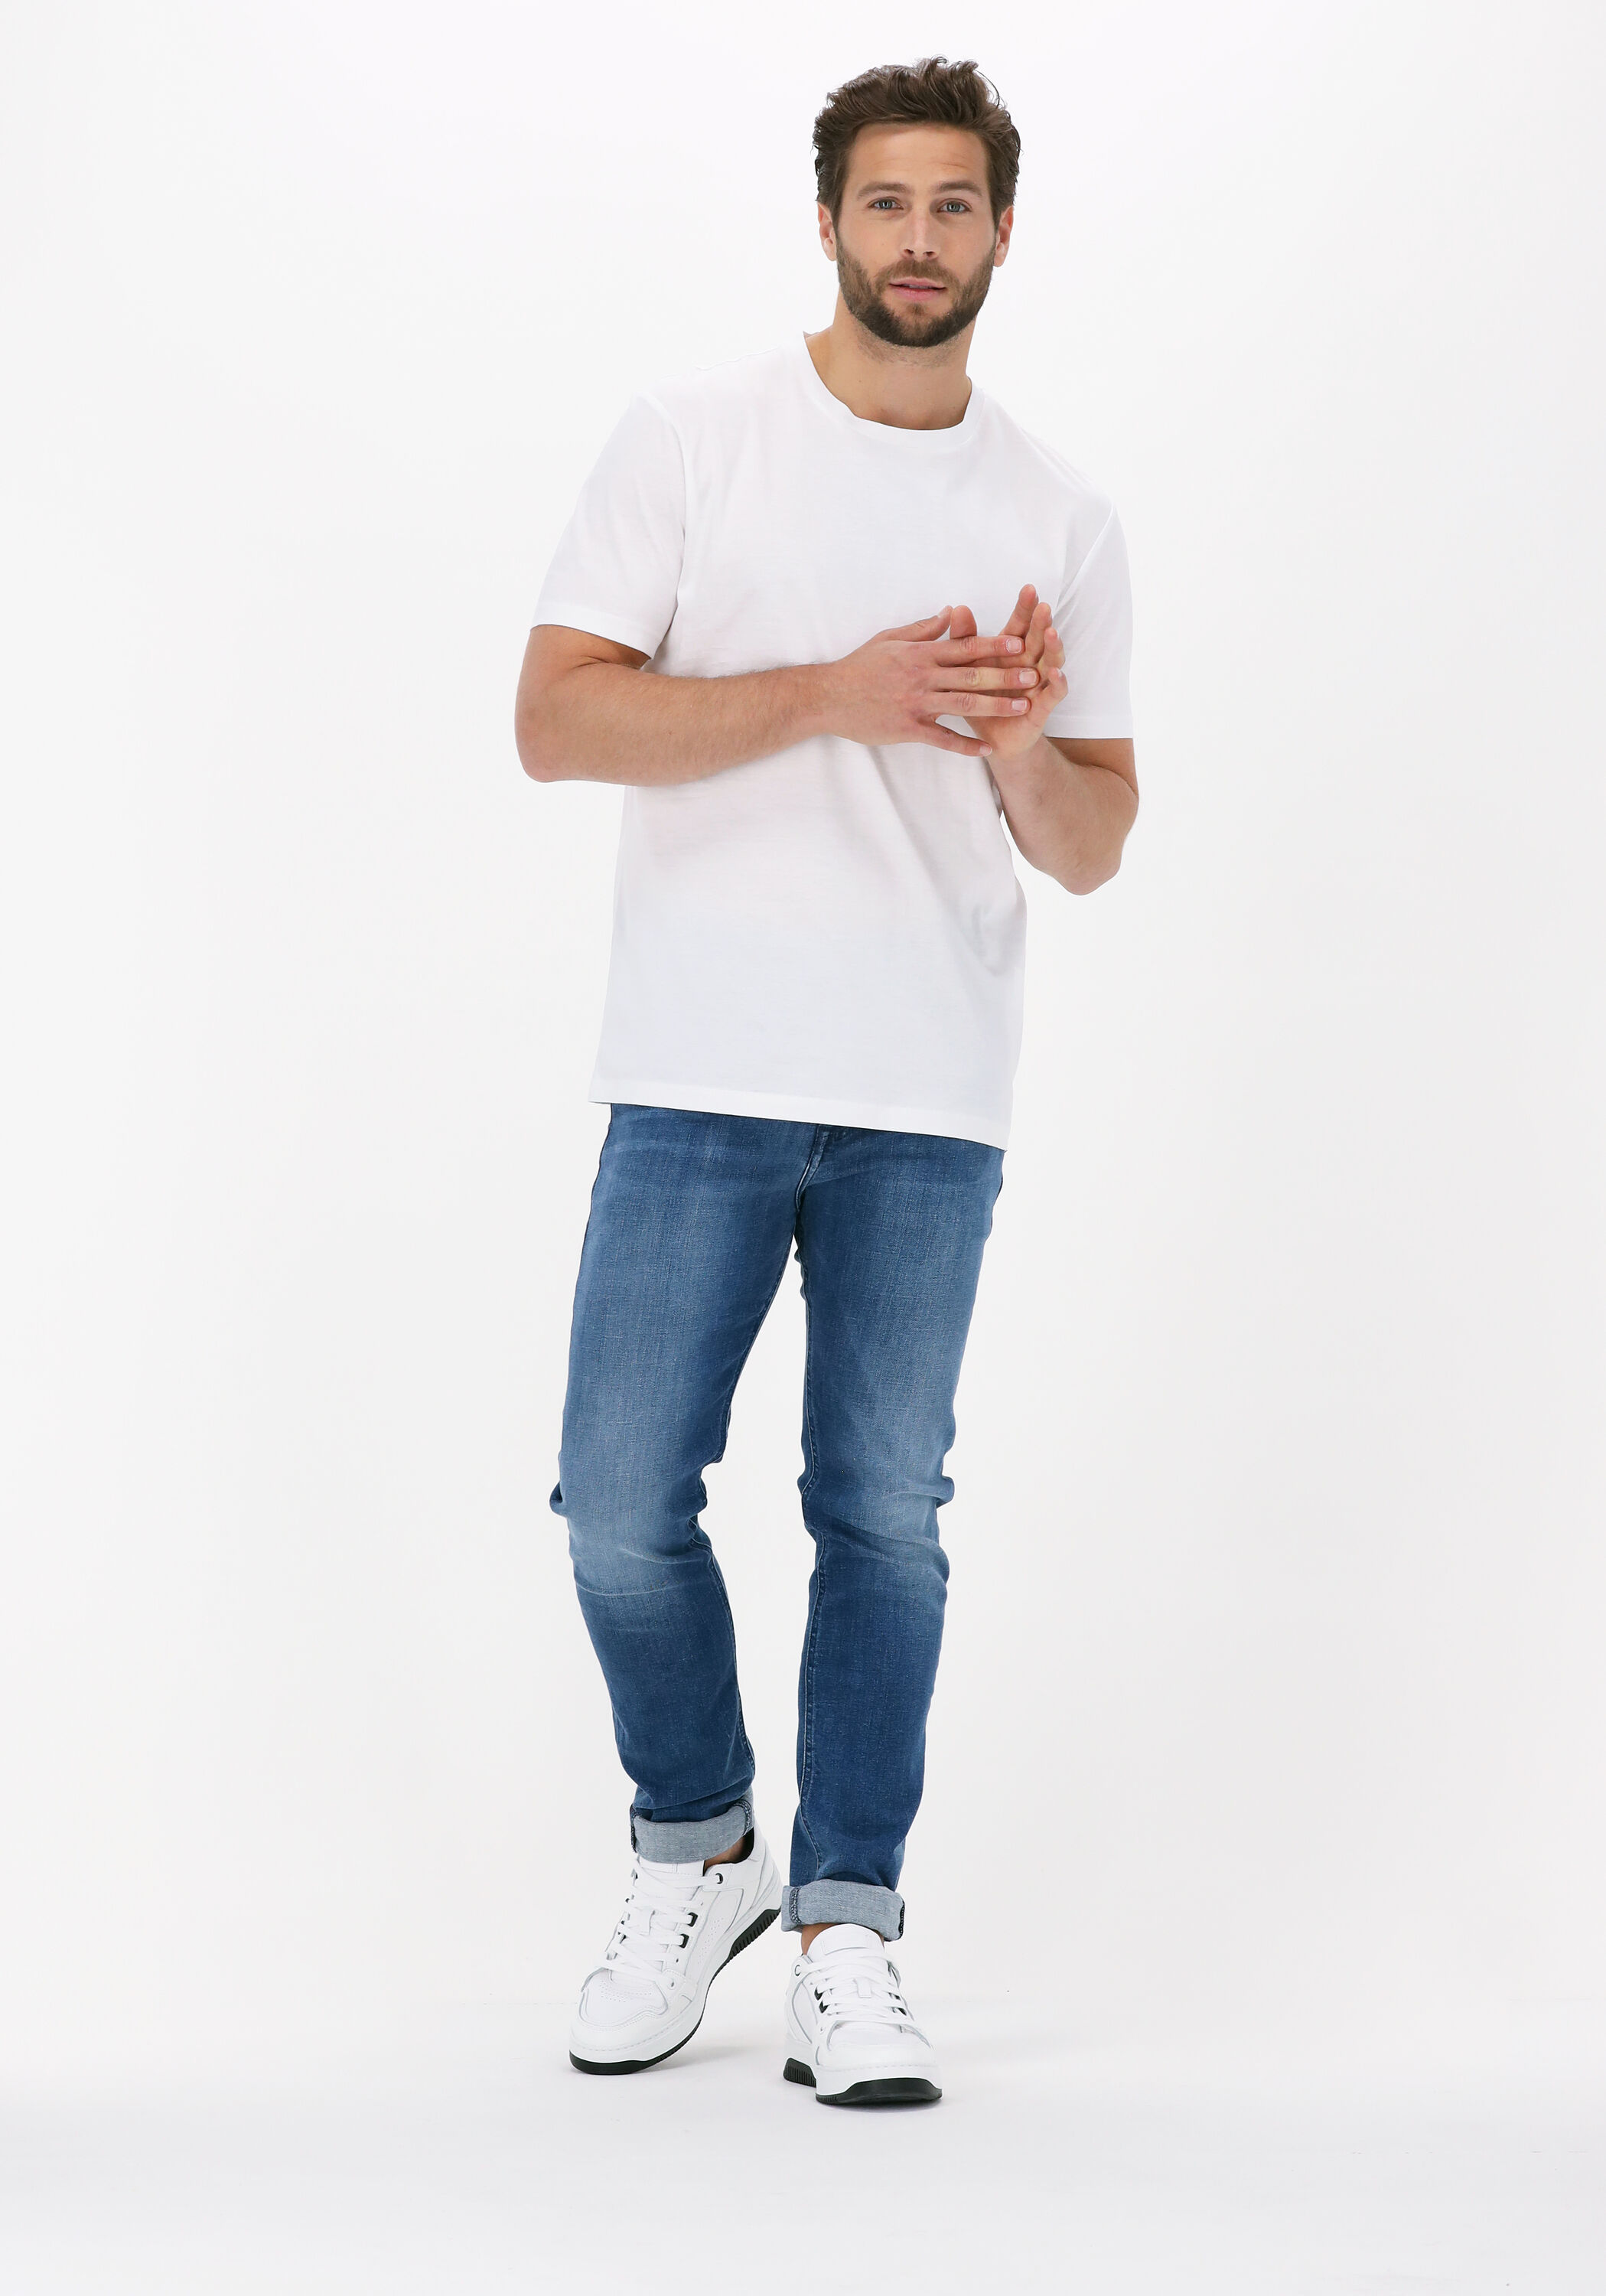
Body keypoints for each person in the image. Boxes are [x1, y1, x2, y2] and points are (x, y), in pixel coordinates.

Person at [514, 56, 1137, 2108]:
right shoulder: (694, 439)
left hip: (926, 1088)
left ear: (1003, 232)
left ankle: (847, 1929)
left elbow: (1092, 842)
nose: (917, 242)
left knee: (883, 1514)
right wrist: (837, 695)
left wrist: (1012, 738)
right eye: (885, 203)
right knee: (618, 1502)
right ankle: (698, 1847)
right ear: (827, 224)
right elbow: (556, 722)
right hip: (697, 1065)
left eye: (953, 205)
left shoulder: (1058, 513)